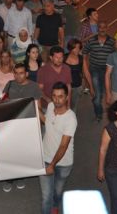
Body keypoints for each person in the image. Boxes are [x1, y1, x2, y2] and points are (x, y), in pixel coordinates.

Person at [39, 82, 78, 214]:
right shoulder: (50, 106)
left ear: (67, 97)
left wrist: (52, 165)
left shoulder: (70, 119)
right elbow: (48, 123)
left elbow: (63, 146)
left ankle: (55, 205)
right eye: (54, 96)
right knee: (46, 197)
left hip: (63, 163)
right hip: (45, 158)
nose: (57, 99)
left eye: (60, 96)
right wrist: (35, 109)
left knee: (57, 191)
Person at [82, 21, 116, 121]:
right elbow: (84, 54)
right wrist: (85, 70)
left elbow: (116, 56)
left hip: (107, 71)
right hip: (95, 70)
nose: (102, 29)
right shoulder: (91, 41)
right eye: (100, 27)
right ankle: (98, 113)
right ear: (97, 28)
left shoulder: (112, 42)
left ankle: (108, 110)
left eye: (104, 27)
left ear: (107, 28)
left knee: (106, 93)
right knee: (97, 96)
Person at [65, 39, 85, 111]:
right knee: (65, 106)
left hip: (77, 86)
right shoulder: (64, 58)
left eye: (79, 47)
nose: (77, 50)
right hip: (65, 87)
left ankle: (72, 121)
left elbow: (86, 73)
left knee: (74, 107)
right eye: (75, 47)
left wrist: (91, 87)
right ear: (70, 48)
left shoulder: (81, 58)